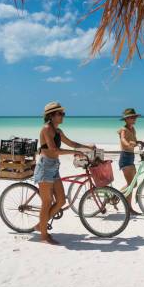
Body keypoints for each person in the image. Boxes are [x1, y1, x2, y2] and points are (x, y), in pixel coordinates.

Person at [34, 101, 95, 245]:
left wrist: (87, 147)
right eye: (60, 113)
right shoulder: (46, 129)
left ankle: (40, 225)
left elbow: (71, 143)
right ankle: (44, 236)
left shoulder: (58, 131)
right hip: (45, 168)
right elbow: (54, 150)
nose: (63, 116)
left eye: (63, 113)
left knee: (61, 201)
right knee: (47, 202)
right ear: (51, 116)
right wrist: (75, 152)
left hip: (54, 166)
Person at [118, 108, 144, 215]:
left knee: (133, 184)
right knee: (130, 184)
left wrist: (139, 142)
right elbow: (123, 140)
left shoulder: (132, 129)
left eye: (135, 117)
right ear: (127, 119)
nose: (134, 119)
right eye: (132, 117)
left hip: (131, 156)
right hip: (125, 157)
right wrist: (128, 144)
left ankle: (116, 195)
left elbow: (133, 140)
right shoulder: (123, 129)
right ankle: (129, 208)